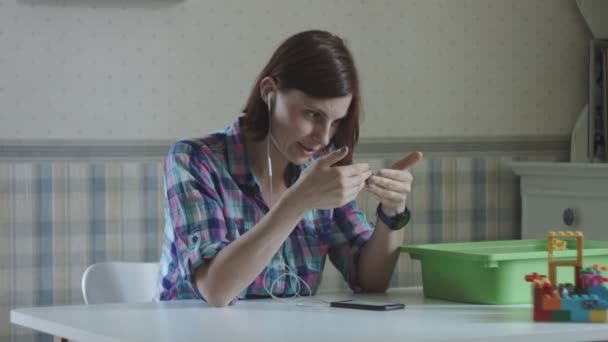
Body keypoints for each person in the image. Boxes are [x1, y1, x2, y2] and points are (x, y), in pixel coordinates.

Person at [156, 30, 423, 307]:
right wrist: (298, 201)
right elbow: (215, 289)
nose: (323, 138)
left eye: (335, 122)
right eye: (313, 115)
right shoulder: (194, 160)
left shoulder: (320, 169)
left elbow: (370, 281)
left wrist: (393, 213)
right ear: (269, 92)